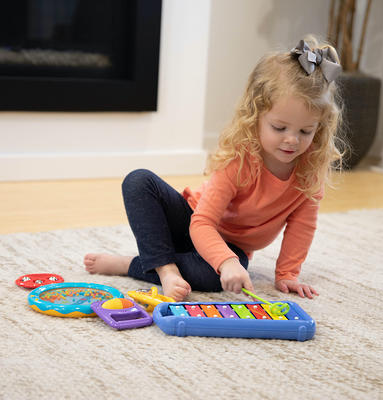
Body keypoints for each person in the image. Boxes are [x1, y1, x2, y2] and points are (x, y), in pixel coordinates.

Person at [84, 37, 345, 302]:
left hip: (231, 246)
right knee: (138, 181)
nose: (292, 139)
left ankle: (141, 262)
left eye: (305, 131)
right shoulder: (240, 160)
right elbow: (202, 222)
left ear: (319, 128)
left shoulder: (309, 172)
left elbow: (302, 227)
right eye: (279, 128)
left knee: (218, 277)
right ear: (255, 117)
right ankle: (164, 269)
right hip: (190, 221)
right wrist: (226, 263)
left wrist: (287, 274)